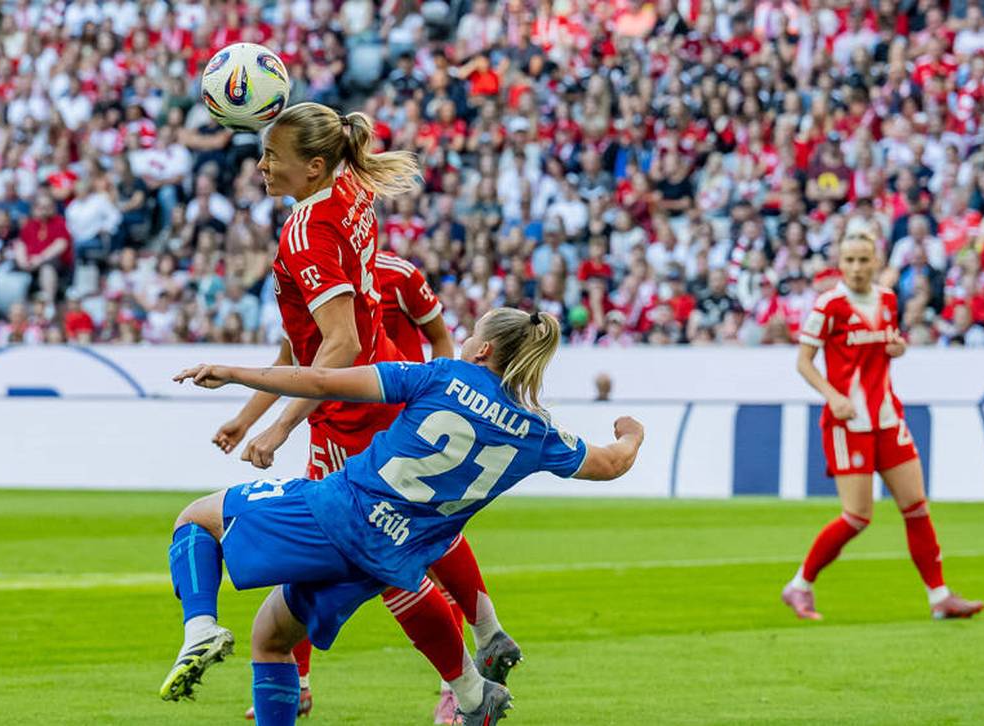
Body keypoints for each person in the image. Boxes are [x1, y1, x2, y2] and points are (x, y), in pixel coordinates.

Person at [163, 308, 646, 726]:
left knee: (196, 518)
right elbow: (611, 464)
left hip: (335, 515)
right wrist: (632, 433)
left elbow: (322, 380)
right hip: (381, 562)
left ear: (484, 350)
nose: (465, 340)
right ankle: (475, 693)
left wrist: (233, 371)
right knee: (270, 639)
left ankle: (200, 627)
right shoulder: (537, 432)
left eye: (472, 334)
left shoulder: (440, 376)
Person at [209, 102, 508, 722]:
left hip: (347, 407)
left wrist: (280, 422)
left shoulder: (305, 231)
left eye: (272, 156)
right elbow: (307, 337)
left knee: (373, 550)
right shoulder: (347, 184)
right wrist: (250, 412)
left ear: (314, 166)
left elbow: (334, 345)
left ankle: (466, 685)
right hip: (381, 379)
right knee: (406, 534)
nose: (260, 165)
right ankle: (483, 637)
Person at [783, 232, 984, 621]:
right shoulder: (829, 306)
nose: (857, 268)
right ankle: (800, 585)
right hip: (848, 422)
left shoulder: (888, 300)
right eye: (850, 260)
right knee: (857, 516)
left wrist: (899, 348)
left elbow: (887, 345)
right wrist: (832, 395)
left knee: (916, 508)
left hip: (887, 418)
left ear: (876, 262)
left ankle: (939, 596)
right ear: (840, 264)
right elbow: (803, 362)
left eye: (863, 260)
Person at [373, 247, 475, 722]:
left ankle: (456, 688)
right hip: (340, 428)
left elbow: (440, 338)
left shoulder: (397, 274)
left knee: (431, 556)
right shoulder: (312, 275)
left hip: (402, 430)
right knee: (331, 556)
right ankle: (298, 680)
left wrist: (433, 404)